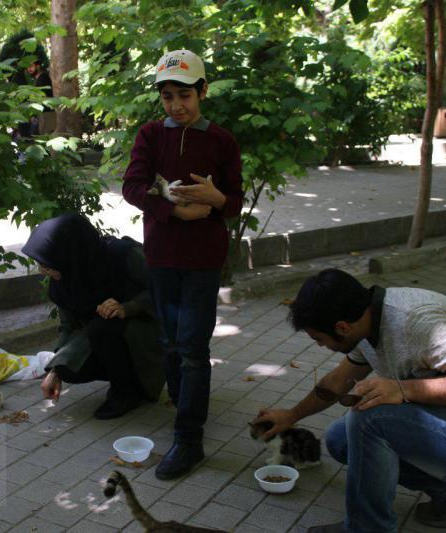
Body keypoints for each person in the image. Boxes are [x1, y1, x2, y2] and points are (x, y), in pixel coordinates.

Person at [255, 269, 446, 533]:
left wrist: (401, 389)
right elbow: (337, 382)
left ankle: (368, 527)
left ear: (342, 327)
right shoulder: (366, 322)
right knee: (340, 439)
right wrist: (291, 415)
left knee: (369, 418)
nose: (319, 345)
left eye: (319, 338)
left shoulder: (416, 321)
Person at [121, 49, 244, 479]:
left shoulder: (222, 141)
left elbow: (235, 200)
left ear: (203, 91)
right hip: (161, 256)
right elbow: (132, 187)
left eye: (185, 95)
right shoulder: (151, 135)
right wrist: (173, 209)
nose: (176, 105)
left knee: (193, 348)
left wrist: (216, 199)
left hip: (203, 261)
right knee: (170, 342)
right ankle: (181, 405)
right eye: (168, 96)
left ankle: (189, 439)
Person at [21, 213, 164, 420]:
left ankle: (127, 392)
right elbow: (69, 327)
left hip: (149, 332)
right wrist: (56, 369)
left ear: (69, 254)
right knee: (68, 367)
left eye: (47, 266)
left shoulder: (121, 254)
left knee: (102, 328)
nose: (42, 272)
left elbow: (165, 287)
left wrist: (128, 307)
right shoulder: (63, 283)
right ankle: (125, 380)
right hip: (111, 338)